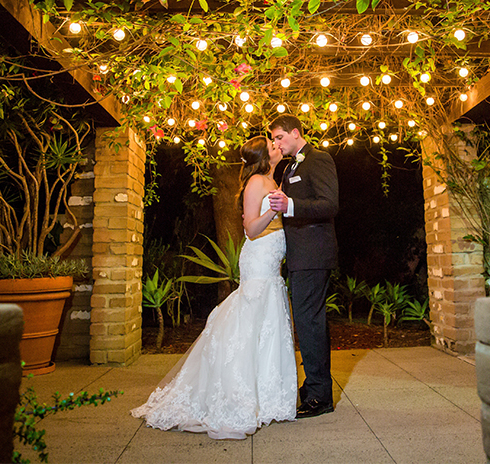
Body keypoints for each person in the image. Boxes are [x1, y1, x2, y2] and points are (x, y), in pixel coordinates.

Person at [130, 136, 297, 440]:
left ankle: (268, 397)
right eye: (272, 146)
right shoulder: (257, 182)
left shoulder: (273, 180)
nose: (277, 147)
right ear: (262, 157)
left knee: (268, 324)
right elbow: (250, 228)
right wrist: (273, 211)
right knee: (251, 320)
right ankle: (236, 395)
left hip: (272, 263)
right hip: (258, 260)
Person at [267, 114, 339, 419]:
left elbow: (330, 204)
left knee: (310, 324)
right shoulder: (289, 167)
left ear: (295, 133)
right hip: (299, 257)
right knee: (306, 324)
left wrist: (290, 206)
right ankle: (312, 388)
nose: (276, 143)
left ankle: (320, 397)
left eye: (279, 137)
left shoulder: (319, 159)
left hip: (314, 255)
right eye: (273, 139)